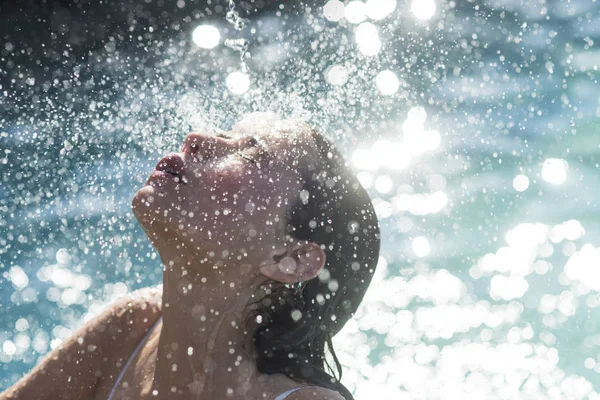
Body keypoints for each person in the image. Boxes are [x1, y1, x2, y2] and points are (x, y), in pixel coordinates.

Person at [1, 114, 380, 400]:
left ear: (292, 258)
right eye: (227, 134)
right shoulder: (132, 326)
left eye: (251, 154)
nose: (197, 138)